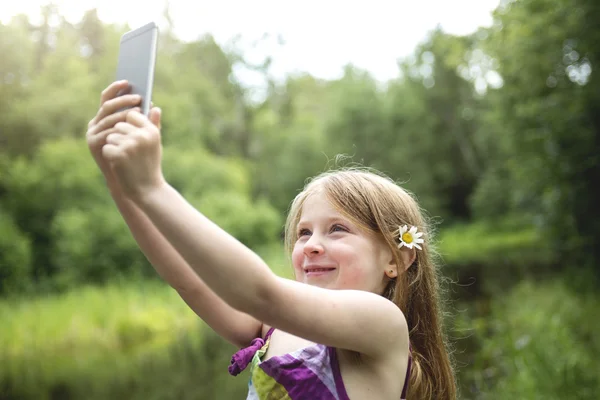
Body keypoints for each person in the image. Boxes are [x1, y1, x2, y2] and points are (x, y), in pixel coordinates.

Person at [86, 80, 457, 399]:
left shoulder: (382, 325)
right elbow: (187, 278)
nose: (311, 245)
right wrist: (120, 185)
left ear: (397, 259)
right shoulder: (272, 327)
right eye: (303, 232)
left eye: (338, 229)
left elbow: (259, 292)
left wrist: (153, 187)